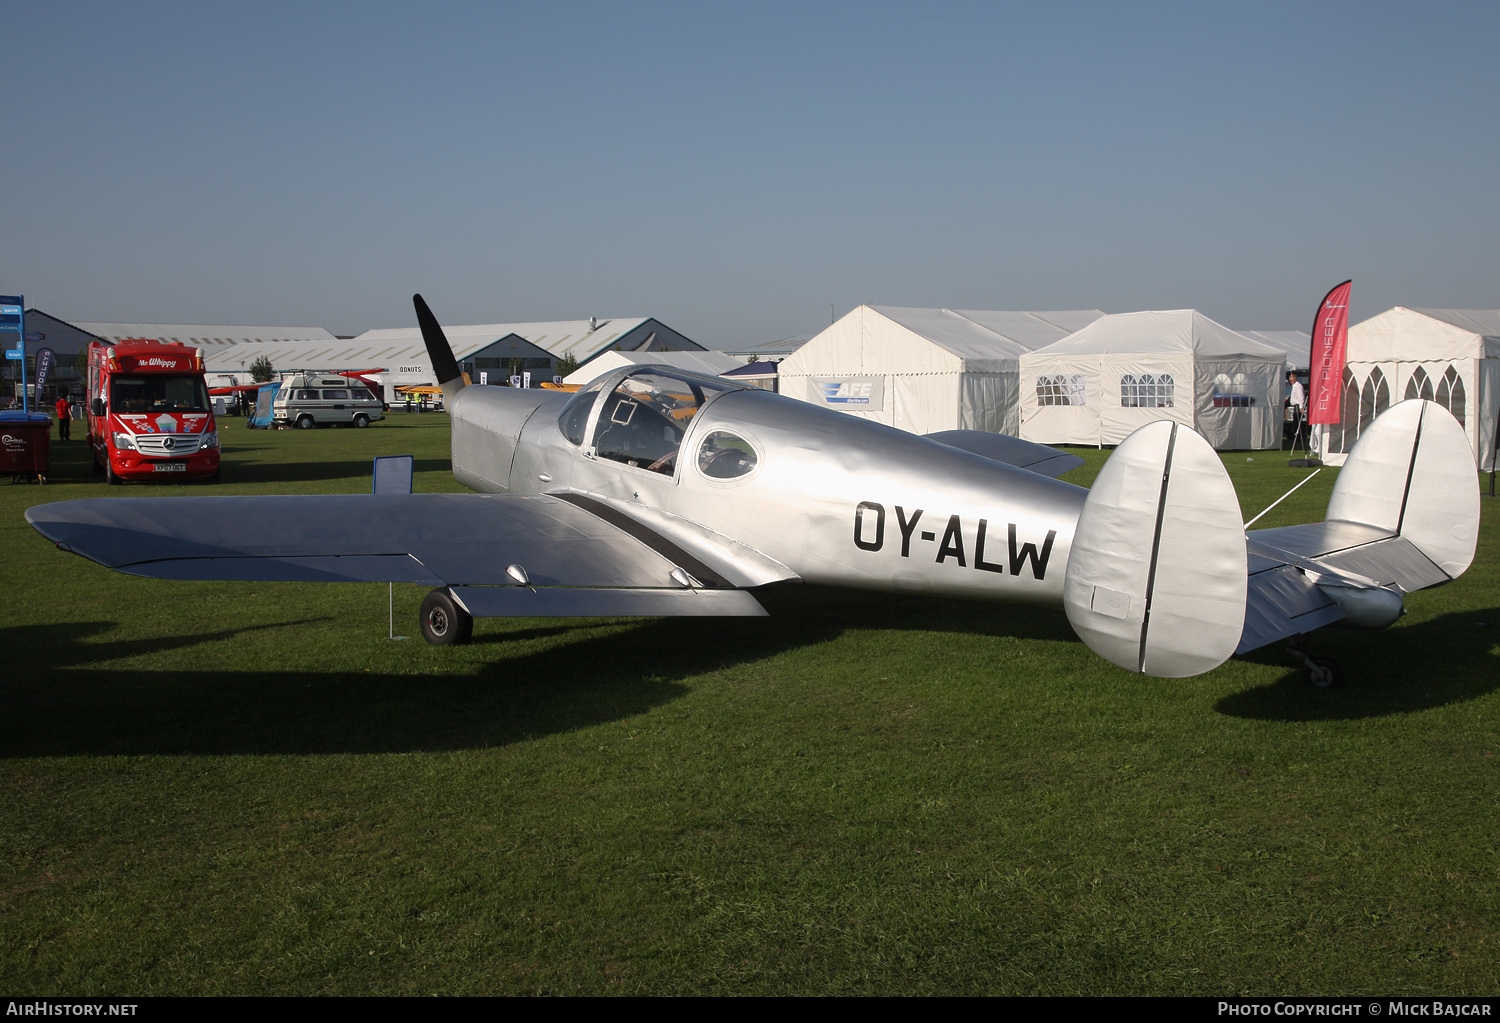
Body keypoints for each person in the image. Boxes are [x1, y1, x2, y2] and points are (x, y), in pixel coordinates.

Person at [1287, 371, 1307, 450]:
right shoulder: (1294, 386)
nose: (1291, 382)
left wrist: (1301, 407)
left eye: (1292, 380)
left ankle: (1298, 438)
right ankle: (1296, 437)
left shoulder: (1298, 386)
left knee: (1298, 423)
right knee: (1295, 423)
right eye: (1290, 380)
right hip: (1295, 405)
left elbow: (1301, 397)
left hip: (1298, 406)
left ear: (1295, 379)